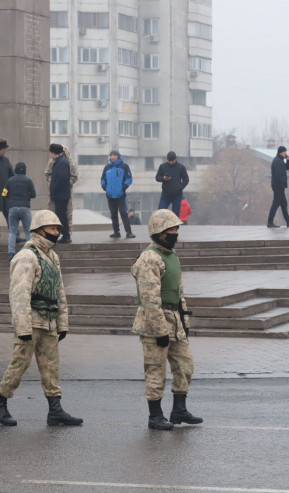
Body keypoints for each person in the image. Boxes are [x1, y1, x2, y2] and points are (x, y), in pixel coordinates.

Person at [0, 210, 82, 427]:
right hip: (31, 321)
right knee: (20, 363)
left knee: (51, 366)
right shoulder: (26, 257)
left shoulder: (52, 257)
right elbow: (19, 294)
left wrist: (62, 323)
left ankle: (55, 410)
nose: (56, 233)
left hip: (49, 320)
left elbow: (59, 292)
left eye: (58, 229)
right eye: (52, 228)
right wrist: (22, 327)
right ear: (39, 230)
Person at [132, 209, 202, 430]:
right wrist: (159, 330)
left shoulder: (172, 256)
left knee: (185, 364)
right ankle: (155, 415)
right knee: (156, 368)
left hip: (174, 319)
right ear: (159, 231)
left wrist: (184, 322)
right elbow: (149, 298)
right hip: (154, 321)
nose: (175, 233)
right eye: (171, 229)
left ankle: (179, 409)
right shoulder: (149, 258)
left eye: (176, 229)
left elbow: (179, 293)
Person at [3, 162, 36, 261]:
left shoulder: (9, 180)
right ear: (25, 170)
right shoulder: (28, 180)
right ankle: (31, 251)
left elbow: (4, 194)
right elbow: (33, 194)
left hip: (12, 208)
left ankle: (11, 252)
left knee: (13, 231)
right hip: (25, 208)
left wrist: (10, 199)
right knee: (28, 231)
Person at [101, 150, 135, 239]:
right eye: (111, 155)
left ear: (118, 156)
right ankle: (116, 232)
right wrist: (105, 187)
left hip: (120, 195)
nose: (112, 157)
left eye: (114, 155)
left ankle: (129, 232)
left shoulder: (124, 166)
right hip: (110, 195)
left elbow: (129, 179)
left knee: (123, 213)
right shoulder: (107, 167)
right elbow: (103, 179)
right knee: (113, 214)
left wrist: (123, 187)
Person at [45, 145, 78, 231]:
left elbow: (74, 176)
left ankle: (67, 231)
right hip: (54, 191)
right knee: (52, 211)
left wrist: (67, 183)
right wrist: (52, 181)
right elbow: (47, 174)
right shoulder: (52, 162)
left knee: (67, 212)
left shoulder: (71, 163)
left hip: (66, 191)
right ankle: (52, 231)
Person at [266, 146, 289, 228]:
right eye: (284, 152)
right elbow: (278, 175)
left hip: (280, 186)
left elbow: (286, 168)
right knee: (276, 203)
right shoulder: (277, 161)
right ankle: (270, 222)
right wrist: (281, 184)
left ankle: (288, 222)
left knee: (284, 204)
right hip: (278, 186)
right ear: (281, 152)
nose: (286, 153)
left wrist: (288, 160)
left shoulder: (280, 160)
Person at [48, 143, 72, 244]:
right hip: (60, 194)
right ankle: (63, 235)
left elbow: (61, 178)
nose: (50, 154)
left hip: (61, 195)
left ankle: (66, 236)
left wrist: (54, 188)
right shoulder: (60, 161)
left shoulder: (61, 162)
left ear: (53, 152)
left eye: (50, 152)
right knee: (60, 215)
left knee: (62, 216)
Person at [155, 151, 189, 217]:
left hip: (177, 195)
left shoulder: (181, 167)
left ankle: (174, 224)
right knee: (160, 211)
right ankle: (162, 223)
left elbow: (186, 179)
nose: (170, 162)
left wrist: (180, 187)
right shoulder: (163, 166)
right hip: (166, 194)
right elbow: (157, 177)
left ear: (175, 159)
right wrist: (163, 178)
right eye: (169, 161)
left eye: (172, 161)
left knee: (175, 214)